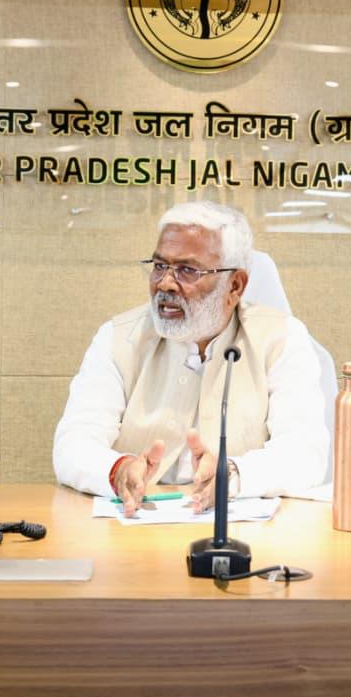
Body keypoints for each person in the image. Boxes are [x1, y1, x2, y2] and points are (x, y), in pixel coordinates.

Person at [53, 201, 328, 516]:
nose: (165, 283)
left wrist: (232, 476)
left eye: (187, 270)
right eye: (159, 266)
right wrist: (117, 470)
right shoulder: (118, 337)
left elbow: (306, 454)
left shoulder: (281, 339)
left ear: (235, 285)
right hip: (133, 527)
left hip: (243, 531)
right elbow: (73, 445)